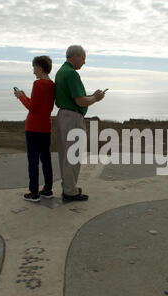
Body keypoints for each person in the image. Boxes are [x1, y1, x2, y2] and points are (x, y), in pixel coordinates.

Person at [55, 45, 105, 202]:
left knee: (65, 154)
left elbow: (74, 97)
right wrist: (95, 98)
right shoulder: (71, 74)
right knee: (73, 155)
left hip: (63, 116)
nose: (84, 62)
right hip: (73, 118)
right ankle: (70, 192)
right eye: (83, 58)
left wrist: (91, 96)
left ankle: (68, 186)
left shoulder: (61, 71)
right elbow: (80, 101)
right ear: (74, 56)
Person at [14, 55, 55, 202]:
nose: (33, 71)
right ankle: (48, 189)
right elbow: (39, 105)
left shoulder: (38, 84)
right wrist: (25, 96)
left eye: (34, 68)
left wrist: (20, 97)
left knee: (33, 161)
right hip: (45, 127)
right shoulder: (51, 84)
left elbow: (32, 107)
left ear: (40, 67)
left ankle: (34, 192)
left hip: (33, 128)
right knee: (46, 159)